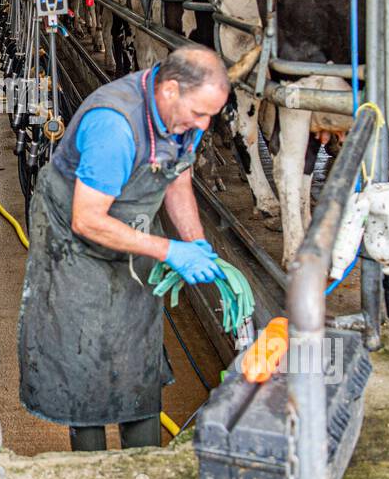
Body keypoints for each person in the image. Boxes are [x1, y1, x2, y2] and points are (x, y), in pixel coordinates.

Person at [17, 45, 231, 451]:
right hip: (73, 242)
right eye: (199, 113)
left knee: (136, 342)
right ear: (170, 91)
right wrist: (168, 251)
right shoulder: (114, 126)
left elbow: (178, 177)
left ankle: (144, 457)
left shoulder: (184, 117)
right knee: (82, 349)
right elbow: (88, 220)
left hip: (130, 227)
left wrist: (195, 242)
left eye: (210, 116)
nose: (203, 124)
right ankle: (95, 465)